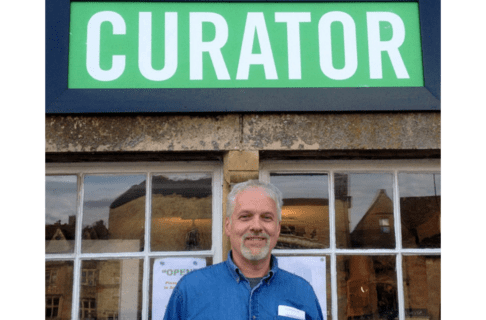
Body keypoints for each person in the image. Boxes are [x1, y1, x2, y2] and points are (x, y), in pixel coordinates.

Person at [163, 180, 324, 320]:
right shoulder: (190, 290)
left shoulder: (302, 292)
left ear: (278, 228)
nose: (256, 226)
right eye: (245, 216)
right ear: (228, 226)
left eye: (266, 217)